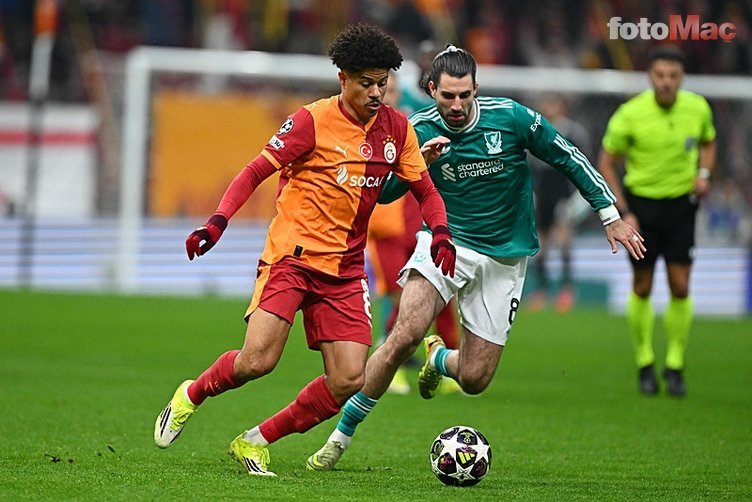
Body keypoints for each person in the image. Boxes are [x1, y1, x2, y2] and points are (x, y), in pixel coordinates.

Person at [306, 45, 645, 471]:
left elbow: (569, 158)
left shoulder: (512, 118)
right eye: (448, 96)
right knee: (405, 333)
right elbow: (384, 193)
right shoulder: (417, 129)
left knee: (474, 378)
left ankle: (438, 358)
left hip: (505, 257)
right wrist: (417, 165)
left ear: (476, 89)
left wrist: (609, 214)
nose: (457, 105)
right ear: (432, 90)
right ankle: (339, 438)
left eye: (465, 95)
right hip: (445, 242)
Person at [153, 24, 457, 477]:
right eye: (367, 83)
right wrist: (218, 221)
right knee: (258, 360)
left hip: (345, 269)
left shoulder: (397, 129)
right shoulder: (310, 121)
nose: (376, 93)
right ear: (343, 79)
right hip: (291, 257)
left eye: (383, 83)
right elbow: (254, 171)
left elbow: (425, 192)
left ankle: (255, 441)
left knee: (349, 378)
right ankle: (190, 395)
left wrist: (441, 233)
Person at [597, 46, 716, 397]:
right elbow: (606, 162)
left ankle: (675, 365)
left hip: (681, 206)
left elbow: (709, 142)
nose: (666, 82)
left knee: (680, 286)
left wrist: (704, 174)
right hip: (641, 207)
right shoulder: (630, 114)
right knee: (642, 286)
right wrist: (623, 209)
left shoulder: (697, 108)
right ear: (650, 76)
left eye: (673, 76)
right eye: (660, 75)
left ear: (682, 77)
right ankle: (645, 362)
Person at [367, 73, 459, 395]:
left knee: (442, 296)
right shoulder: (365, 129)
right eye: (383, 89)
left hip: (419, 226)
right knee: (399, 298)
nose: (386, 95)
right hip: (386, 228)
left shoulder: (411, 127)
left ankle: (447, 366)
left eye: (392, 89)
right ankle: (389, 364)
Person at [527, 94, 593, 312]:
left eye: (553, 103)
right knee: (541, 245)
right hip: (542, 193)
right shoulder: (535, 130)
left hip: (563, 192)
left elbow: (583, 165)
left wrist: (576, 200)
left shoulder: (573, 133)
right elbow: (529, 165)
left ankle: (566, 290)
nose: (548, 107)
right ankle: (541, 290)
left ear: (562, 107)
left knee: (564, 240)